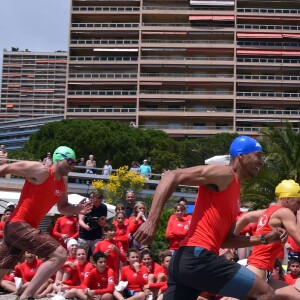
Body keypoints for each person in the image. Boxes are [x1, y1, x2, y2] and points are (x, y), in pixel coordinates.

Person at [134, 135, 287, 300]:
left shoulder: (235, 194)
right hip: (199, 257)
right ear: (241, 156)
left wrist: (263, 239)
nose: (261, 162)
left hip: (185, 260)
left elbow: (226, 240)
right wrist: (151, 221)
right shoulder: (225, 174)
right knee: (265, 294)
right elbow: (171, 175)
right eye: (258, 155)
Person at [0, 145, 93, 300]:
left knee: (1, 271)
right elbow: (7, 167)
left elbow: (62, 208)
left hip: (20, 229)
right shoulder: (41, 171)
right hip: (18, 224)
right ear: (58, 158)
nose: (72, 165)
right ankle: (25, 297)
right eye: (69, 161)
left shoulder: (62, 183)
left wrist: (78, 209)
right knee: (60, 254)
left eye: (74, 163)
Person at [235, 179, 300, 298]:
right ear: (287, 199)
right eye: (298, 202)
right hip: (258, 269)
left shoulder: (268, 211)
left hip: (262, 270)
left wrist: (231, 238)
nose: (298, 206)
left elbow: (245, 218)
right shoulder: (285, 212)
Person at [78, 191, 107, 255]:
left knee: (97, 256)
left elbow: (103, 223)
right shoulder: (86, 205)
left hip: (97, 236)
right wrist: (85, 226)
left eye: (100, 202)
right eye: (96, 201)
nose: (98, 204)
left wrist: (100, 221)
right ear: (92, 199)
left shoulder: (103, 207)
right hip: (84, 236)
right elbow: (80, 220)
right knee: (82, 256)